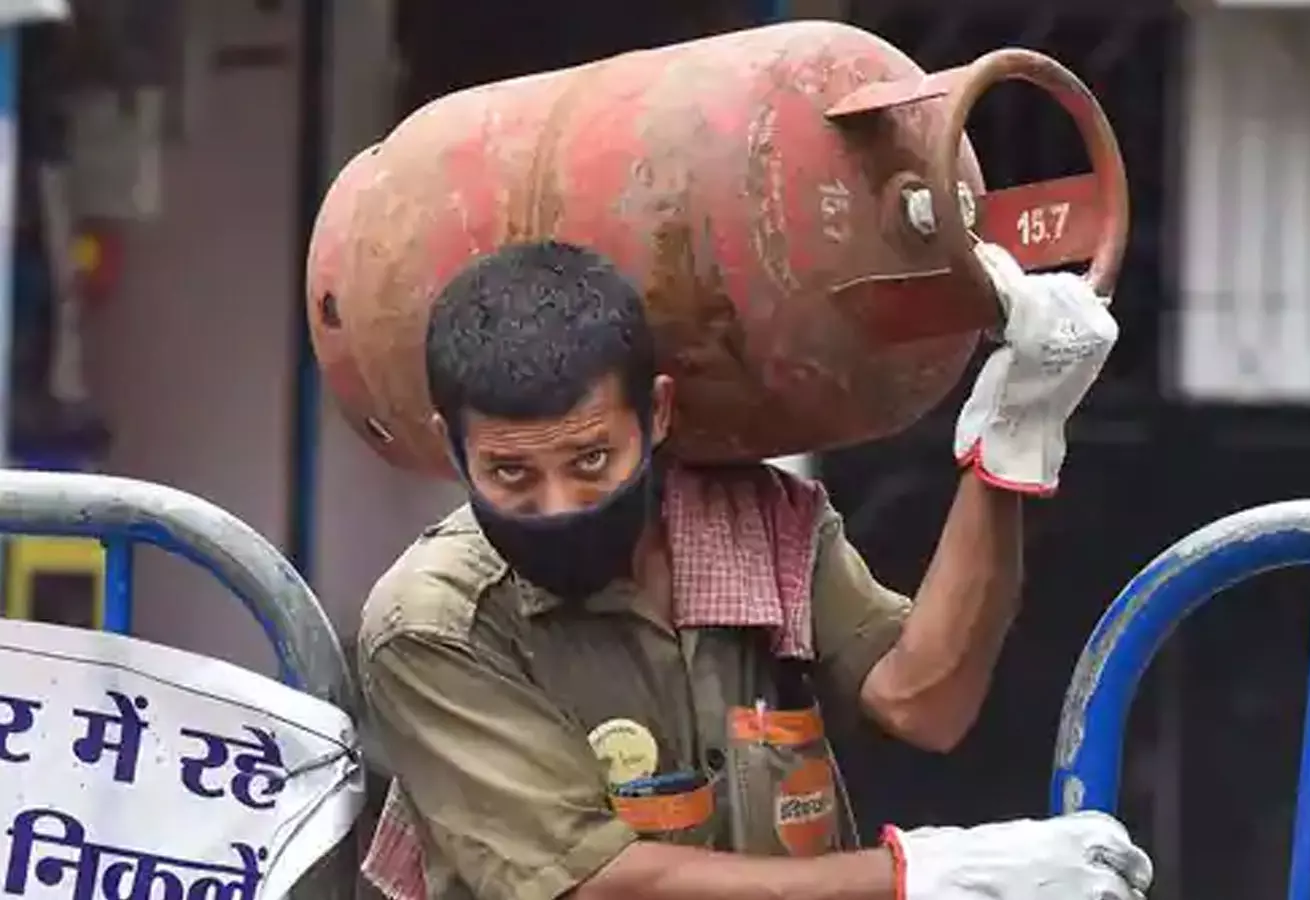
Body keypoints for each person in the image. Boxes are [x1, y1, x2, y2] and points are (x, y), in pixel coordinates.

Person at [357, 238, 1153, 900]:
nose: (560, 504)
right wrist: (919, 877)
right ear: (451, 446)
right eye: (510, 475)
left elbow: (926, 700)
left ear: (658, 415)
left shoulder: (749, 525)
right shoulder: (433, 625)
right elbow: (596, 887)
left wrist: (1015, 438)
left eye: (593, 458)